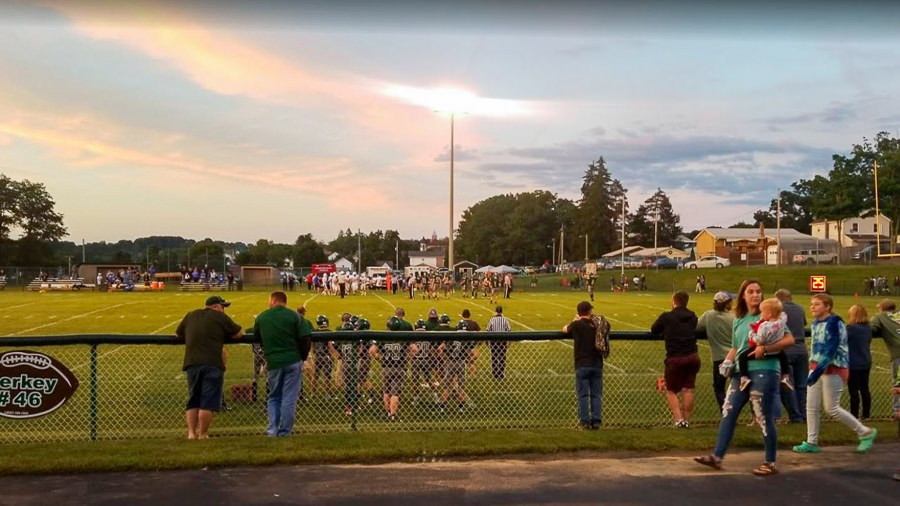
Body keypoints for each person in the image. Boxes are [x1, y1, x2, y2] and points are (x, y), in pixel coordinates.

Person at [694, 279, 795, 476]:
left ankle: (770, 461)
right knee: (728, 411)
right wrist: (727, 362)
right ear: (743, 295)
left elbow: (789, 339)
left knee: (763, 416)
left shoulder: (770, 316)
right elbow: (736, 346)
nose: (756, 295)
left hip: (765, 370)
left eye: (758, 291)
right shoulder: (739, 318)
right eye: (751, 291)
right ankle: (717, 456)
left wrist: (765, 349)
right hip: (741, 372)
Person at [793, 294, 877, 454]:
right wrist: (814, 369)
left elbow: (831, 350)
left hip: (833, 369)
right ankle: (811, 442)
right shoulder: (816, 323)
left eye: (817, 304)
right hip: (817, 367)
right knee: (811, 406)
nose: (812, 307)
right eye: (811, 304)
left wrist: (816, 372)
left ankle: (865, 432)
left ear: (827, 307)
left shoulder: (835, 323)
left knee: (831, 407)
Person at [176, 296, 243, 440]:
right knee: (208, 402)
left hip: (192, 362)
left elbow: (178, 333)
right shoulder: (219, 317)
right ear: (215, 306)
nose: (223, 310)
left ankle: (191, 434)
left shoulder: (191, 315)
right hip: (213, 363)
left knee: (194, 399)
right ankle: (203, 434)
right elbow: (238, 333)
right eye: (222, 307)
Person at [253, 292, 312, 437]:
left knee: (274, 397)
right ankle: (285, 431)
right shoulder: (295, 316)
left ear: (273, 300)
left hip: (274, 362)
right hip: (293, 359)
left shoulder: (262, 317)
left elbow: (257, 338)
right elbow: (305, 338)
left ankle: (272, 430)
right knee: (289, 398)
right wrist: (302, 357)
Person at [651, 291, 700, 428]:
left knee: (670, 389)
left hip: (675, 357)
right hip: (693, 355)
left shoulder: (667, 316)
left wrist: (666, 332)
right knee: (688, 389)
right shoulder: (693, 317)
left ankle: (679, 420)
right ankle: (687, 420)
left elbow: (654, 329)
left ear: (674, 302)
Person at [734, 298, 793, 392]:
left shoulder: (764, 326)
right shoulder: (781, 320)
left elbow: (760, 340)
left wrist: (752, 334)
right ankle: (785, 376)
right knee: (783, 357)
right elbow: (782, 314)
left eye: (762, 312)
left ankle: (744, 378)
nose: (761, 314)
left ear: (769, 314)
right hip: (776, 351)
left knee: (742, 357)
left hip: (762, 349)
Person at [562, 301, 604, 429]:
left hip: (581, 364)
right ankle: (596, 420)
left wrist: (575, 320)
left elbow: (564, 330)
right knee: (596, 394)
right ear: (589, 311)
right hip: (596, 363)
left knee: (583, 395)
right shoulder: (596, 325)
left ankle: (585, 421)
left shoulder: (576, 325)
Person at [373, 309, 416, 421]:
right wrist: (407, 358)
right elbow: (414, 349)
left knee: (386, 391)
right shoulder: (403, 337)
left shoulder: (383, 337)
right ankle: (393, 415)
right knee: (395, 392)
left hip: (386, 366)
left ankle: (388, 412)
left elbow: (372, 351)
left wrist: (380, 358)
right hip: (399, 367)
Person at [696, 291, 734, 411]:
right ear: (727, 303)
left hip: (719, 357)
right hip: (734, 356)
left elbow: (697, 327)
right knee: (739, 387)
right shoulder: (734, 317)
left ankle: (725, 411)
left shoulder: (708, 316)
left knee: (719, 388)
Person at [775, 289, 808, 423]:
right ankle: (804, 414)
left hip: (786, 349)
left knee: (787, 384)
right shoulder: (800, 308)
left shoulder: (778, 310)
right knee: (802, 385)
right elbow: (804, 323)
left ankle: (795, 416)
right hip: (801, 348)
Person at [439, 313, 478, 413]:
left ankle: (442, 408)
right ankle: (460, 408)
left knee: (448, 387)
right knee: (460, 387)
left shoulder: (451, 336)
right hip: (461, 363)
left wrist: (444, 359)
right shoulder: (467, 338)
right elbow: (476, 354)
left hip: (450, 362)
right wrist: (468, 360)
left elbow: (440, 349)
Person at [869, 299, 900, 419]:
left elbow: (872, 328)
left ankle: (897, 411)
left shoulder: (881, 316)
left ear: (881, 308)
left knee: (898, 383)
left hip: (898, 353)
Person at [846, 304, 872, 420]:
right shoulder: (868, 328)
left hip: (853, 363)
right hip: (865, 361)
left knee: (854, 390)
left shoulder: (850, 329)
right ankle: (866, 414)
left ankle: (854, 414)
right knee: (864, 388)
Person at [310, 315, 335, 400]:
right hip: (326, 356)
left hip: (317, 356)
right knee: (327, 376)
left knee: (315, 375)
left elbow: (312, 345)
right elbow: (330, 345)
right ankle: (327, 394)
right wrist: (334, 355)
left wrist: (313, 354)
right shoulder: (329, 332)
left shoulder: (314, 332)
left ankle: (313, 393)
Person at [486, 305, 512, 380]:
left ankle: (494, 373)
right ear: (502, 311)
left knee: (494, 357)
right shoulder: (505, 320)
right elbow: (509, 331)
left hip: (494, 341)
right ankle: (501, 373)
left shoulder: (492, 320)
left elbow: (488, 330)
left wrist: (488, 342)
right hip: (502, 341)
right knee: (502, 358)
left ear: (496, 311)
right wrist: (509, 342)